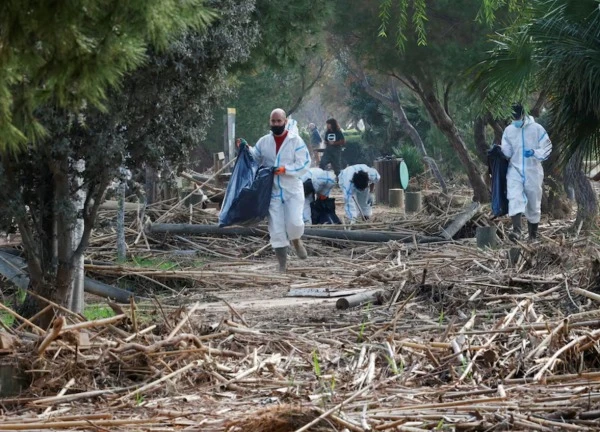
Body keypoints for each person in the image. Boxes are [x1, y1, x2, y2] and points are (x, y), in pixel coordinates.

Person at [236, 108, 311, 272]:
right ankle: (282, 266)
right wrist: (245, 147)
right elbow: (255, 156)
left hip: (292, 188)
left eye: (279, 121)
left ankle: (296, 239)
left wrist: (286, 169)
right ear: (270, 122)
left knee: (295, 222)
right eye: (273, 121)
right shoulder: (264, 141)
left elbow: (305, 163)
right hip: (272, 190)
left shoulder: (295, 141)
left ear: (285, 121)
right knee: (276, 229)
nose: (276, 124)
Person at [501, 103, 552, 241]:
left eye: (518, 117)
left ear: (524, 114)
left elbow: (547, 148)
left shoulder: (537, 129)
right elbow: (507, 150)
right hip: (515, 169)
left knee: (533, 202)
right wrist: (499, 151)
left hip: (533, 170)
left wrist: (535, 152)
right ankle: (517, 231)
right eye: (514, 118)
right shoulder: (509, 130)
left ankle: (532, 235)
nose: (516, 120)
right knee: (514, 197)